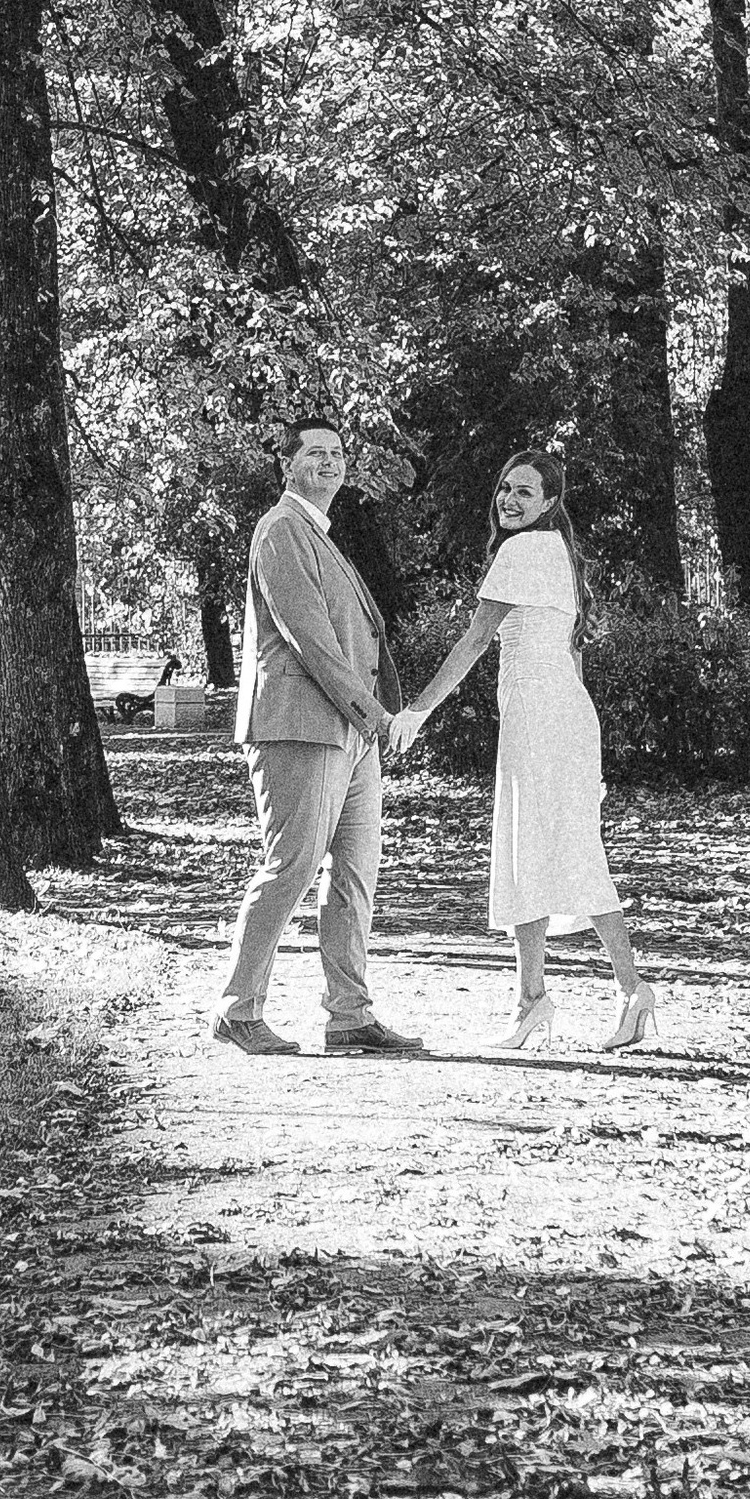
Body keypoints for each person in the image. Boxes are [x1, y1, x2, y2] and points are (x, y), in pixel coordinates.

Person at [393, 445, 659, 1052]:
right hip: (562, 715)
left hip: (542, 716)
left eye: (525, 492)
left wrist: (418, 709)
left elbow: (475, 638)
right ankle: (547, 996)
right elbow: (574, 657)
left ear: (549, 503)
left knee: (549, 850)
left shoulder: (523, 550)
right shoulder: (559, 552)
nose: (509, 500)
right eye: (505, 488)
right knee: (540, 850)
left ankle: (611, 990)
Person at [213, 410, 424, 1058]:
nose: (330, 462)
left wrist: (371, 719)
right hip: (299, 726)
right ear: (287, 465)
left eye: (337, 453)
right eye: (315, 453)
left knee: (355, 873)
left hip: (349, 732)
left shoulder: (320, 533)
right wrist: (374, 714)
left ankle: (349, 1015)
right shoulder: (280, 529)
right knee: (293, 866)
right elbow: (311, 640)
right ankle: (237, 1010)